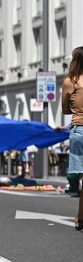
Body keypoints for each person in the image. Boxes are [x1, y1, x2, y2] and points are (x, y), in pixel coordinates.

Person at [62, 46, 83, 231]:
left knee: (81, 175)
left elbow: (65, 109)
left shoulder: (70, 82)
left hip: (79, 130)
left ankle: (80, 216)